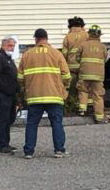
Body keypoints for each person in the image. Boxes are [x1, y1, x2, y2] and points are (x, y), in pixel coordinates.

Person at [18, 28, 71, 159]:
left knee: (32, 124)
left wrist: (26, 86)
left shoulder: (27, 55)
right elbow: (67, 75)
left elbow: (19, 77)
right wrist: (65, 88)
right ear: (47, 39)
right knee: (56, 123)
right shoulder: (56, 54)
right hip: (54, 96)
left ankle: (29, 152)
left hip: (34, 97)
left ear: (35, 39)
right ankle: (59, 150)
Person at [0, 35, 19, 155]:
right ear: (3, 45)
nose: (12, 48)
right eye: (10, 45)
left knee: (10, 119)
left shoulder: (8, 58)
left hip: (11, 94)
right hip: (3, 94)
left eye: (13, 46)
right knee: (3, 119)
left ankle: (6, 143)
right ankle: (2, 146)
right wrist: (5, 88)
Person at [76, 25, 107, 123]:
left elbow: (77, 58)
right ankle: (99, 117)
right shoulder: (102, 47)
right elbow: (105, 59)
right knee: (98, 95)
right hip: (98, 76)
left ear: (89, 34)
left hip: (84, 74)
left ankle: (82, 110)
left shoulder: (83, 45)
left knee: (83, 91)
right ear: (99, 35)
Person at [62, 16, 89, 111]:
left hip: (71, 68)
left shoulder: (68, 37)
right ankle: (84, 106)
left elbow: (64, 54)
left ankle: (72, 106)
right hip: (84, 67)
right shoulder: (86, 35)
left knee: (72, 89)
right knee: (84, 89)